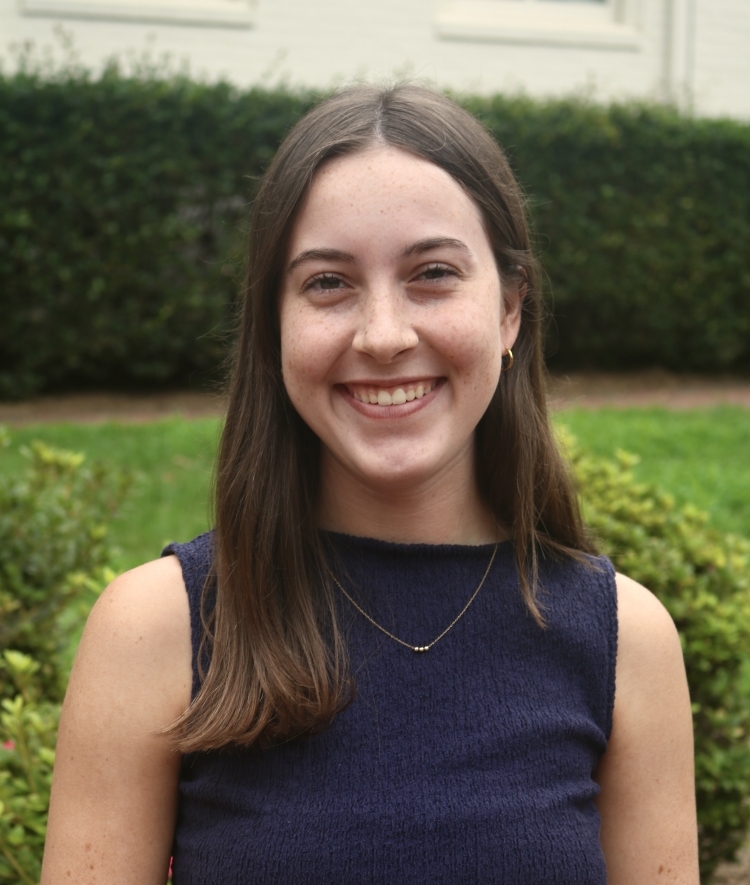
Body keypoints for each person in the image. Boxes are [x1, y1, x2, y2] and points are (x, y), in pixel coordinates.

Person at [41, 85, 698, 884]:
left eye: (432, 273)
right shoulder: (155, 630)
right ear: (274, 320)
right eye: (328, 283)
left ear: (511, 309)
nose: (384, 335)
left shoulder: (626, 639)